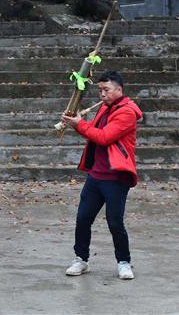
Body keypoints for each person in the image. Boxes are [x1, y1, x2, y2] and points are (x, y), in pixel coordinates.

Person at [58, 70, 142, 280]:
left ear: (119, 90)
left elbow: (104, 137)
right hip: (96, 175)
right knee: (83, 219)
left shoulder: (127, 112)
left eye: (106, 90)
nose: (102, 94)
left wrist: (79, 124)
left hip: (116, 178)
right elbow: (92, 134)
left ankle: (124, 262)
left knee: (115, 223)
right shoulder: (105, 107)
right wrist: (74, 122)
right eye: (100, 90)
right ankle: (81, 259)